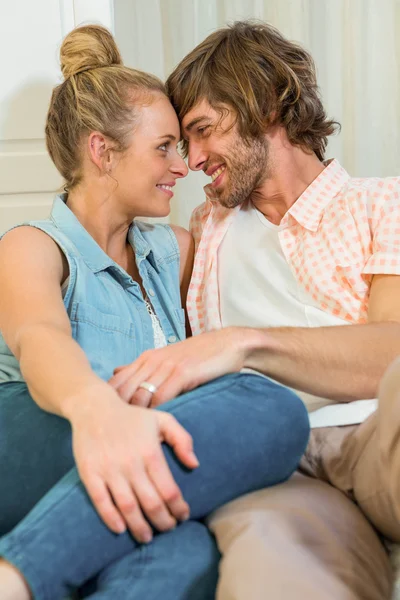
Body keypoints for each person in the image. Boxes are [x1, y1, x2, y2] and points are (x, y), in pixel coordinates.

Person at [0, 24, 309, 600]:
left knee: (180, 548)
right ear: (102, 151)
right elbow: (40, 339)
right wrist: (100, 413)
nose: (184, 163)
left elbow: (265, 248)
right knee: (266, 406)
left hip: (130, 435)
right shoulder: (33, 246)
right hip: (31, 431)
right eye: (165, 146)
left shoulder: (173, 251)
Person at [153, 19, 400, 600]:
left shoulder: (380, 204)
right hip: (274, 462)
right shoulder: (201, 233)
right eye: (182, 142)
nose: (191, 160)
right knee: (271, 571)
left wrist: (244, 342)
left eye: (204, 130)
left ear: (264, 104)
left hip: (376, 433)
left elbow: (392, 350)